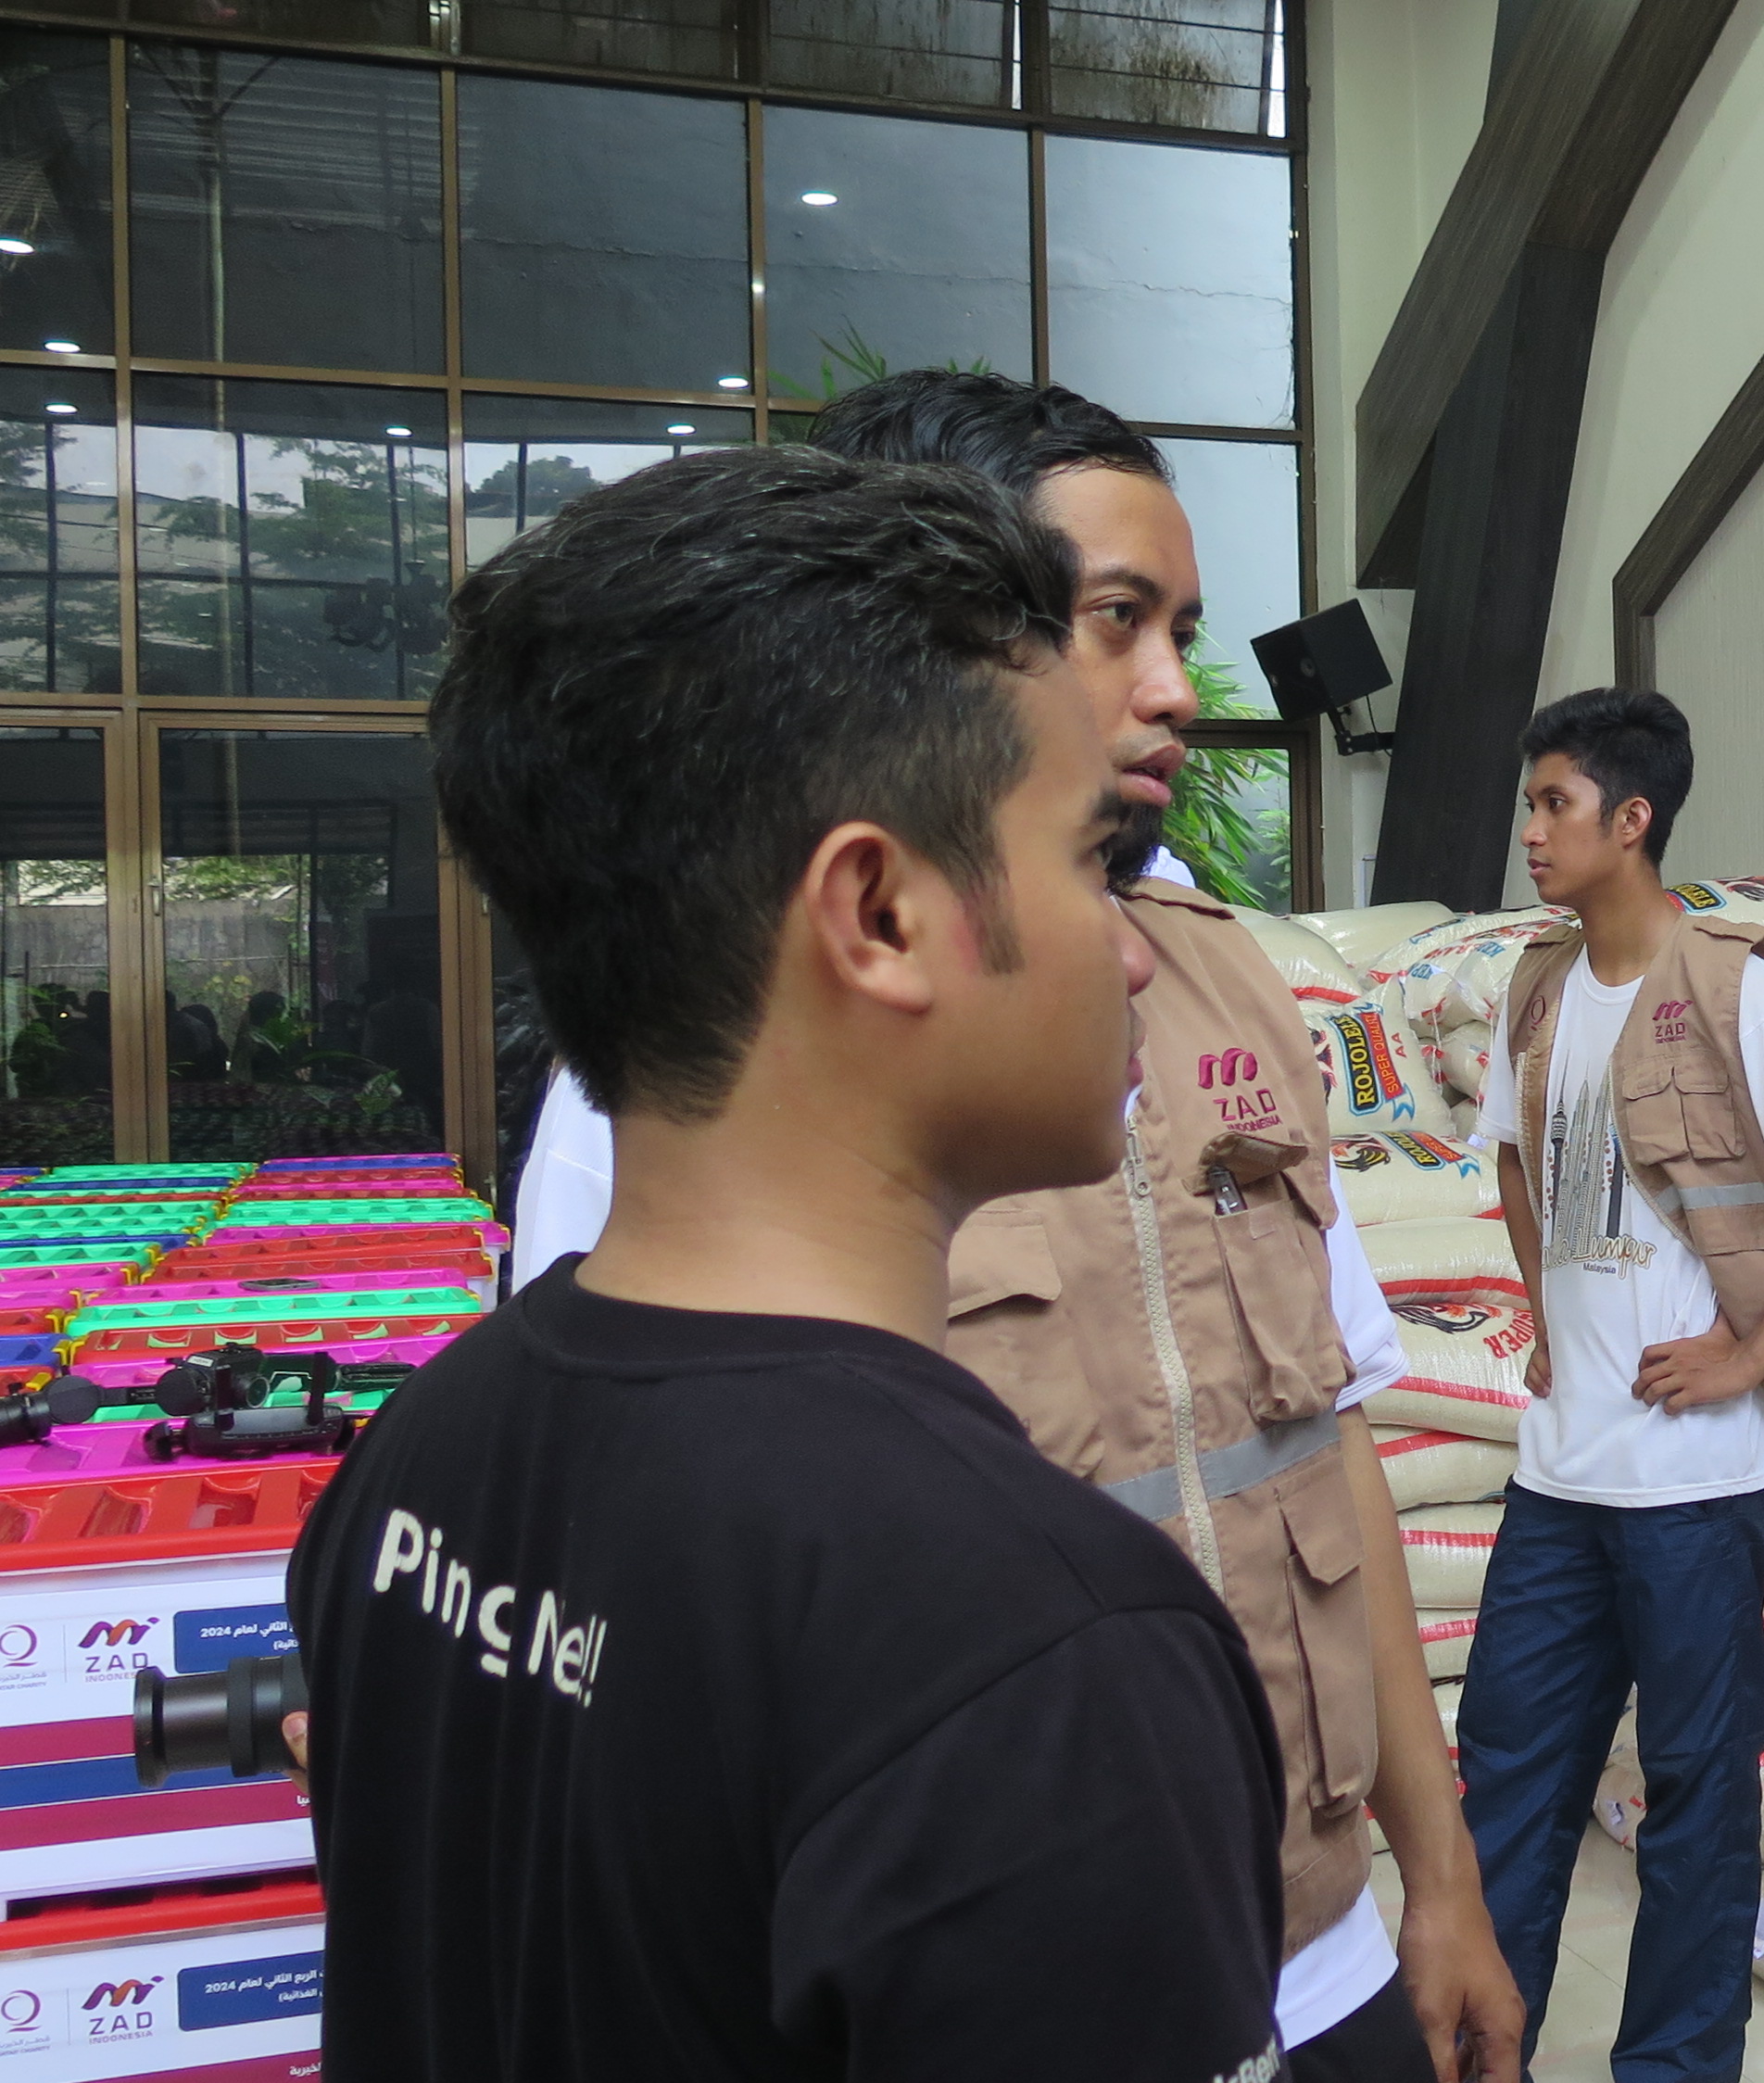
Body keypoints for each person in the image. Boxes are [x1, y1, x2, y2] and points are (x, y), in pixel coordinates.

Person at [498, 369, 1523, 2083]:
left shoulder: (1232, 981)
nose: (1173, 689)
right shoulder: (714, 1056)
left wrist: (1443, 1880)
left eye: (1182, 628)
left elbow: (1325, 1436)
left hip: (1319, 1942)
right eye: (1116, 620)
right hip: (1005, 1981)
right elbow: (628, 1571)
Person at [291, 444, 1294, 2077]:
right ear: (877, 913)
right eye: (1083, 861)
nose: (1130, 951)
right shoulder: (1042, 1655)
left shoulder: (416, 1464)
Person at [1460, 688, 1764, 2081]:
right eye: (1530, 804)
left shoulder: (1729, 986)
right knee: (1508, 1778)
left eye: (1555, 804)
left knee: (1698, 1797)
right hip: (1560, 1476)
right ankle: (1479, 2054)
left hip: (1695, 1487)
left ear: (1633, 819)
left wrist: (1749, 1357)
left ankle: (1673, 2067)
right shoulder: (1540, 987)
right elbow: (1515, 1159)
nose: (1533, 831)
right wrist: (1546, 1312)